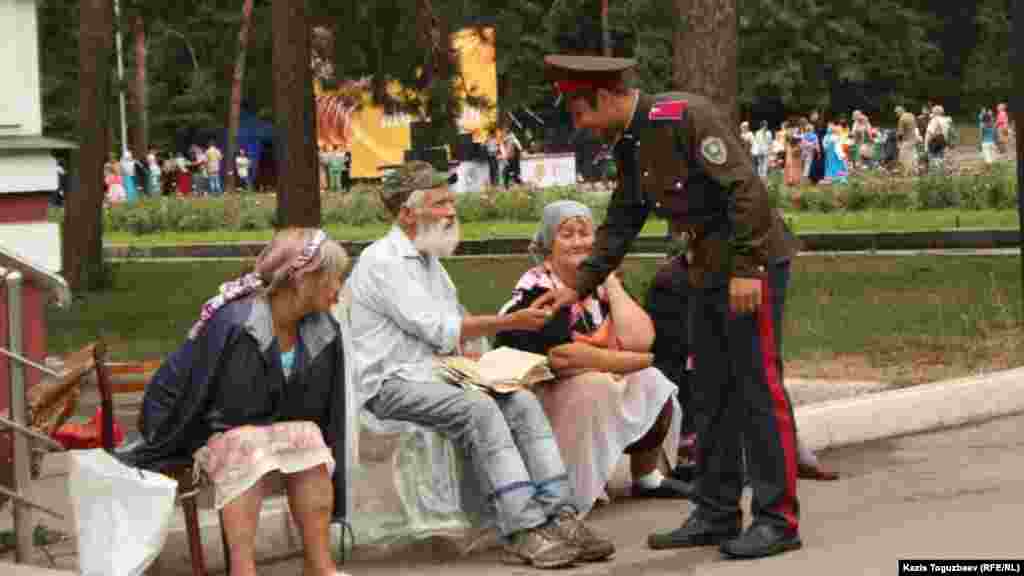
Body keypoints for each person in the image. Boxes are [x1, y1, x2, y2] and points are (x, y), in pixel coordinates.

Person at [537, 54, 803, 560]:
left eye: (579, 113)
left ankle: (778, 519)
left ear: (601, 98)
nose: (581, 127)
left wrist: (747, 269)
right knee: (711, 391)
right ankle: (717, 511)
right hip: (703, 268)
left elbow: (745, 190)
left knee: (756, 389)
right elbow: (624, 216)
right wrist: (580, 285)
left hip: (750, 265)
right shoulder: (632, 142)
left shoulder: (682, 116)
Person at [346, 161, 614, 569]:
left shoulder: (428, 261)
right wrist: (511, 322)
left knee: (520, 399)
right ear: (407, 214)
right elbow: (441, 329)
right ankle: (522, 530)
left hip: (442, 374)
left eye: (450, 200)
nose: (451, 210)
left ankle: (561, 517)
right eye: (439, 203)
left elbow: (457, 328)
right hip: (391, 384)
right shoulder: (383, 261)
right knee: (480, 408)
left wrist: (482, 357)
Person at [119, 228, 351, 576]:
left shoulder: (323, 329)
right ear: (303, 280)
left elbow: (322, 413)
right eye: (334, 280)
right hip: (191, 422)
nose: (339, 291)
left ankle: (320, 567)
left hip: (259, 424)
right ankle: (243, 571)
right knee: (247, 444)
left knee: (310, 442)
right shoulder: (239, 324)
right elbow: (224, 410)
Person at [494, 200, 691, 515]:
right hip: (539, 390)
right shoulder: (537, 288)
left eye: (585, 234)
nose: (579, 242)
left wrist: (610, 281)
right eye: (567, 235)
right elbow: (563, 356)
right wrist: (630, 362)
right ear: (548, 245)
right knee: (594, 387)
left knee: (653, 382)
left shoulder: (597, 287)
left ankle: (647, 477)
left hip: (589, 374)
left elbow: (640, 340)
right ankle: (569, 490)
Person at [895, 106, 919, 176]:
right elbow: (915, 126)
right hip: (914, 138)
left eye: (896, 112)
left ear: (900, 111)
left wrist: (898, 142)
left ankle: (905, 173)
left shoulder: (902, 118)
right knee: (912, 156)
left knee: (903, 157)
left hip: (907, 140)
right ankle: (915, 172)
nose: (896, 114)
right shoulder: (911, 115)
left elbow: (900, 133)